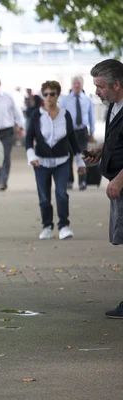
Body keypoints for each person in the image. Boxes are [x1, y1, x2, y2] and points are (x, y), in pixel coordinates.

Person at [82, 59, 123, 318]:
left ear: (117, 84)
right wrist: (101, 150)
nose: (97, 92)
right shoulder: (113, 106)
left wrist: (119, 178)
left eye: (100, 86)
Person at [26, 80, 85, 240]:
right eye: (45, 94)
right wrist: (31, 157)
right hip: (41, 162)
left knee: (61, 194)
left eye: (52, 94)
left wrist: (80, 162)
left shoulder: (65, 115)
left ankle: (64, 226)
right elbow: (29, 138)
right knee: (44, 197)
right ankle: (47, 227)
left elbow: (72, 140)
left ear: (57, 95)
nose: (49, 97)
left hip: (62, 161)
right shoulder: (36, 115)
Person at [59, 76, 96, 190]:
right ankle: (69, 180)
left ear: (82, 84)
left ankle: (82, 181)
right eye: (75, 83)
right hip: (69, 132)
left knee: (82, 156)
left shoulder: (87, 99)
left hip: (82, 131)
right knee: (69, 157)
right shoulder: (65, 100)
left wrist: (92, 132)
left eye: (79, 83)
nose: (77, 85)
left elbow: (91, 116)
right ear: (71, 85)